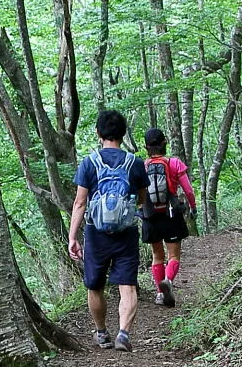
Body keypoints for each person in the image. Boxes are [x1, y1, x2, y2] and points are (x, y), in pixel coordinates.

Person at [68, 110, 149, 352]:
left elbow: (80, 203)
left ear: (98, 133)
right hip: (126, 232)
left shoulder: (89, 163)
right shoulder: (134, 163)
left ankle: (102, 332)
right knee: (128, 285)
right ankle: (123, 333)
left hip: (96, 233)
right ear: (123, 134)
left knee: (95, 286)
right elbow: (142, 200)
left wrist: (73, 236)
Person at [141, 128, 197, 307]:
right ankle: (169, 281)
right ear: (164, 142)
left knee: (157, 256)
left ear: (146, 146)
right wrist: (192, 208)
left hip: (150, 215)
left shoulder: (142, 166)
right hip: (171, 214)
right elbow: (188, 189)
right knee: (173, 256)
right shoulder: (174, 163)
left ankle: (159, 293)